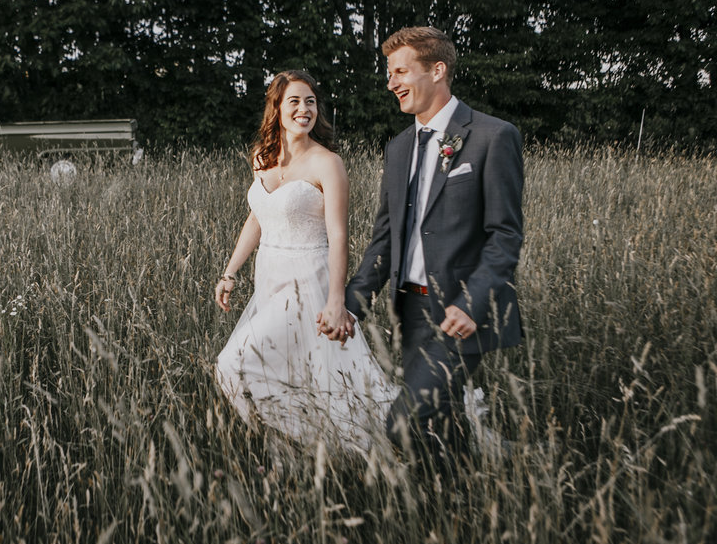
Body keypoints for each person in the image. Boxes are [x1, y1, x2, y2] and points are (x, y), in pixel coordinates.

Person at [326, 26, 524, 468]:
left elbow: (505, 235)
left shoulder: (493, 136)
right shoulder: (398, 148)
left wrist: (472, 303)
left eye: (400, 71)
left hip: (463, 312)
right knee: (440, 425)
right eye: (389, 73)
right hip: (410, 309)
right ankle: (458, 506)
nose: (391, 82)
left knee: (403, 421)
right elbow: (385, 238)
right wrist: (352, 306)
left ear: (438, 70)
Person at [213, 70, 398, 454]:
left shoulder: (327, 163)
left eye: (310, 101)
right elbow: (258, 217)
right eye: (294, 101)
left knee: (232, 363)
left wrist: (337, 300)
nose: (304, 109)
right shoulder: (262, 157)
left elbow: (339, 235)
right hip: (269, 277)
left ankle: (312, 444)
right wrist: (230, 272)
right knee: (291, 369)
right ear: (276, 108)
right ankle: (290, 450)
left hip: (307, 281)